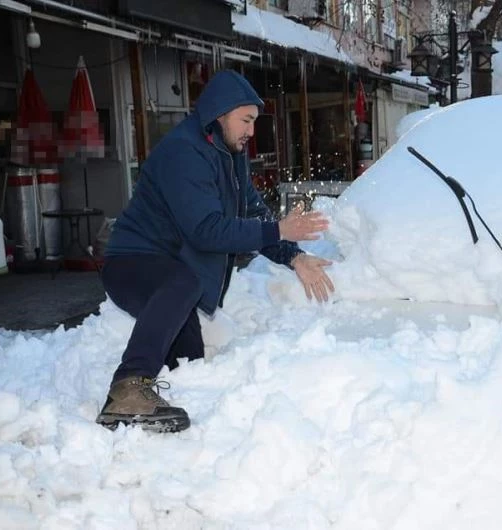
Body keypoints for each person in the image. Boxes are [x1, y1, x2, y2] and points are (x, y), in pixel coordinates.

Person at [96, 70, 334, 433]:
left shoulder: (229, 155)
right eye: (246, 120)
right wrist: (279, 228)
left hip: (171, 274)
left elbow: (252, 213)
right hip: (133, 263)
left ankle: (154, 427)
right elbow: (206, 231)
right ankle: (129, 386)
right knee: (183, 284)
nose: (251, 131)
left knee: (190, 364)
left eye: (254, 121)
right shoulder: (184, 153)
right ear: (220, 113)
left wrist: (293, 256)